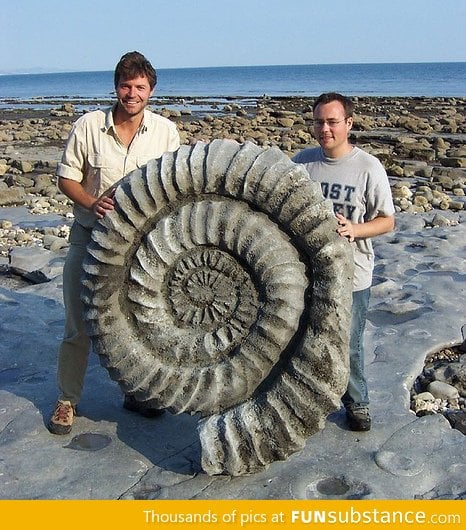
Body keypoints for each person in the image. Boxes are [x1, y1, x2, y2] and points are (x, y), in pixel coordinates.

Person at [48, 51, 181, 435]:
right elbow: (66, 178)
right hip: (89, 237)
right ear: (116, 87)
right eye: (126, 85)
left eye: (140, 87)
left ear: (151, 91)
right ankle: (66, 400)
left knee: (136, 323)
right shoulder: (89, 126)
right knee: (79, 322)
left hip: (142, 248)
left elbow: (173, 184)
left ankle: (135, 392)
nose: (132, 93)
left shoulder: (165, 132)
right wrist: (92, 202)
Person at [293, 92, 395, 431]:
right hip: (307, 275)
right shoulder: (302, 163)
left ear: (348, 124)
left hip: (354, 276)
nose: (325, 129)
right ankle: (308, 400)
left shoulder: (368, 167)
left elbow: (387, 220)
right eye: (319, 122)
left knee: (348, 345)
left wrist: (354, 229)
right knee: (303, 341)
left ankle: (358, 404)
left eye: (333, 122)